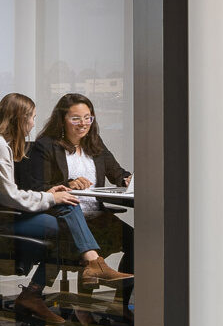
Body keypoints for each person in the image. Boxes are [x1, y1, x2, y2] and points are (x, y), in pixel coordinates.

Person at [0, 92, 131, 324]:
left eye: (88, 118)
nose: (33, 122)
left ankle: (40, 292)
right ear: (18, 118)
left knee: (71, 216)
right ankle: (83, 271)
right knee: (66, 220)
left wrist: (50, 194)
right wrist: (52, 196)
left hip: (0, 211)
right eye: (31, 117)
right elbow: (10, 194)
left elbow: (8, 192)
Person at [16, 92, 135, 306]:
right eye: (76, 118)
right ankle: (79, 297)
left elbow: (117, 172)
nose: (83, 124)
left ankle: (120, 304)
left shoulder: (95, 144)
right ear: (62, 119)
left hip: (97, 217)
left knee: (137, 242)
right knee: (70, 240)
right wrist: (69, 184)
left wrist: (127, 179)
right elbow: (35, 188)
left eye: (88, 117)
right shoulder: (47, 146)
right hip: (65, 216)